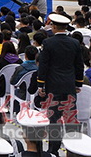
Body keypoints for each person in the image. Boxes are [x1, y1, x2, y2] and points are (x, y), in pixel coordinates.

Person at [36, 13, 85, 154]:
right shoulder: (75, 43)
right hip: (69, 85)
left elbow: (43, 65)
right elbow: (79, 65)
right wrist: (78, 83)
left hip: (53, 86)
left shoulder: (48, 43)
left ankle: (54, 150)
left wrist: (41, 84)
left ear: (54, 27)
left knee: (54, 119)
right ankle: (74, 151)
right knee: (71, 118)